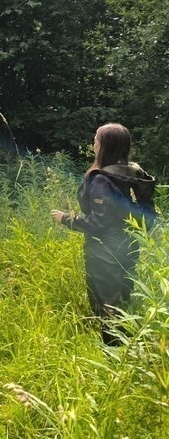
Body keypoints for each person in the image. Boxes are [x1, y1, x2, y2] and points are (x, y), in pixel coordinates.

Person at [51, 123, 156, 345]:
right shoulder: (133, 172)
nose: (93, 144)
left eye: (96, 139)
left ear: (105, 145)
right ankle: (130, 346)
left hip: (104, 249)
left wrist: (65, 219)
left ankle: (114, 354)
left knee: (107, 303)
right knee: (124, 297)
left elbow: (98, 222)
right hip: (130, 243)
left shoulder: (101, 179)